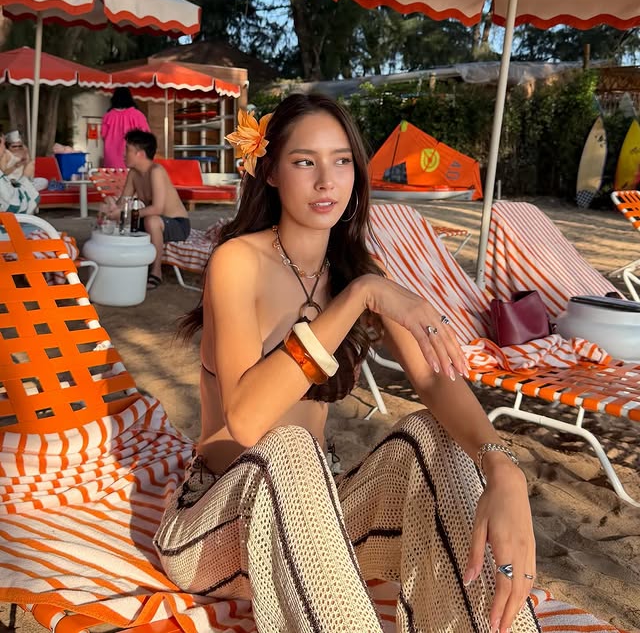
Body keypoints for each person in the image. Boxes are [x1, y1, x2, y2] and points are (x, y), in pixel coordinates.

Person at [153, 95, 538, 633]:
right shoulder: (238, 262)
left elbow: (433, 381)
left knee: (435, 437)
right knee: (289, 446)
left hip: (314, 530)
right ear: (270, 172)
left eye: (341, 161)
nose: (325, 181)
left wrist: (501, 465)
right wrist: (358, 297)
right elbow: (247, 419)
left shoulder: (355, 271)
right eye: (304, 161)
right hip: (215, 529)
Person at [103, 129, 190, 289]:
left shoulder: (156, 171)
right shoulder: (134, 173)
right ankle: (121, 264)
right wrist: (112, 206)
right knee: (124, 221)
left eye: (127, 150)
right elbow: (124, 202)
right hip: (155, 221)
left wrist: (125, 213)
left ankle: (156, 272)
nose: (123, 154)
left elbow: (157, 209)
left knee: (150, 220)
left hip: (177, 224)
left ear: (140, 154)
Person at [101, 87, 150, 169]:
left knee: (112, 177)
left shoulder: (108, 116)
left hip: (111, 159)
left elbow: (103, 135)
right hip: (133, 157)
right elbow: (146, 136)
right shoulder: (137, 115)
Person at [0, 127, 40, 214]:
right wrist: (18, 168)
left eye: (19, 146)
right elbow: (12, 206)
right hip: (13, 182)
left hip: (18, 183)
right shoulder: (6, 155)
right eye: (14, 146)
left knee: (41, 181)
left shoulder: (22, 153)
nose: (17, 148)